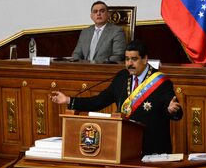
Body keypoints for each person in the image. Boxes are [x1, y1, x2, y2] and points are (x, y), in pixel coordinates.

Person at [53, 40, 182, 155]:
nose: (129, 64)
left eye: (134, 59)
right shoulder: (122, 77)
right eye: (127, 59)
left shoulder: (160, 82)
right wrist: (69, 100)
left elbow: (175, 110)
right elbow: (99, 101)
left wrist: (172, 110)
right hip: (126, 147)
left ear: (145, 59)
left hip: (153, 149)